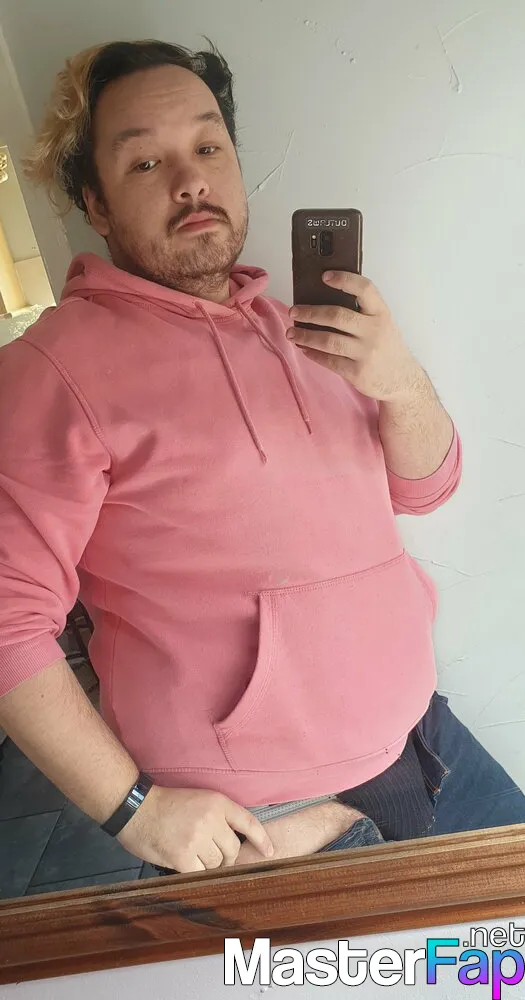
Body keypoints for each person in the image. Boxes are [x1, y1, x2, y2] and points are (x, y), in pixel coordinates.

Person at [0, 39, 523, 877]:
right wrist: (133, 810)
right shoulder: (49, 370)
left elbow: (426, 487)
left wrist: (400, 382)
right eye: (145, 162)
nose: (190, 180)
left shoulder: (303, 327)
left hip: (426, 743)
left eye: (208, 147)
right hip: (269, 822)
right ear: (94, 202)